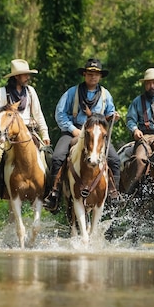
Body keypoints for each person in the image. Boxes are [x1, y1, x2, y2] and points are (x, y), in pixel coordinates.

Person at [43, 58, 121, 213]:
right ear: (84, 74)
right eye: (90, 73)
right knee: (58, 157)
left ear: (100, 76)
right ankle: (54, 194)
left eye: (96, 74)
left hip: (96, 134)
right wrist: (73, 130)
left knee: (115, 160)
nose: (93, 77)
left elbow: (110, 111)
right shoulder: (72, 92)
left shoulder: (105, 95)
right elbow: (60, 114)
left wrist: (113, 117)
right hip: (75, 130)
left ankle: (113, 196)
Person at [0, 59, 51, 201]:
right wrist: (5, 110)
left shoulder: (31, 92)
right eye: (25, 75)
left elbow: (38, 115)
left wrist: (45, 133)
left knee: (49, 156)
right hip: (6, 134)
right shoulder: (1, 93)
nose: (28, 77)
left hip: (29, 133)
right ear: (16, 77)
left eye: (27, 74)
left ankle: (49, 190)